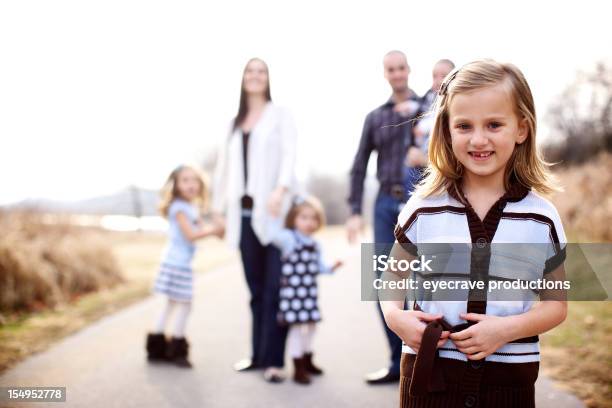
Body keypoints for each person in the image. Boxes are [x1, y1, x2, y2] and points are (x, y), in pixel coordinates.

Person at [381, 59, 568, 407]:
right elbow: (392, 275)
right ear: (447, 131)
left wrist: (505, 330)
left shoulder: (541, 217)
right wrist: (396, 318)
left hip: (507, 385)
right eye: (464, 125)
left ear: (521, 129)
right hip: (427, 380)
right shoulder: (422, 207)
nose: (478, 139)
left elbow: (557, 307)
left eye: (494, 124)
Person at [212, 58, 298, 383]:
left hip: (274, 215)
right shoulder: (234, 123)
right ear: (243, 79)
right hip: (243, 217)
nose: (256, 76)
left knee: (275, 289)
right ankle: (257, 355)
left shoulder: (280, 116)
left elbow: (290, 155)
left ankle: (275, 361)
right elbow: (223, 171)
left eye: (261, 71)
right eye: (250, 71)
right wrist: (217, 210)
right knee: (255, 290)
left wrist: (281, 189)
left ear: (268, 78)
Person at [347, 50, 420, 384]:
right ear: (385, 74)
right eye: (391, 69)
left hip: (418, 202)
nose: (397, 74)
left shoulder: (429, 108)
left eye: (401, 67)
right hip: (383, 204)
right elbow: (359, 164)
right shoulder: (375, 117)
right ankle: (397, 362)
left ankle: (423, 359)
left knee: (425, 282)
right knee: (384, 282)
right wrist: (352, 211)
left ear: (408, 69)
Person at [146, 164, 224, 368]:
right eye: (185, 180)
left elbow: (199, 229)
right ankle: (176, 350)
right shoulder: (179, 207)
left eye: (194, 180)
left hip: (177, 263)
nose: (191, 184)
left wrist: (216, 229)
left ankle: (156, 347)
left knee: (171, 304)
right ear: (176, 185)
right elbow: (191, 235)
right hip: (177, 265)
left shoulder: (191, 207)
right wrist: (213, 231)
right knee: (184, 306)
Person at [271, 197, 343, 385]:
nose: (309, 222)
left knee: (311, 327)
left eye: (313, 218)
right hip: (292, 296)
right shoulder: (288, 238)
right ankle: (298, 368)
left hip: (309, 294)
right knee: (296, 330)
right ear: (294, 218)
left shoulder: (315, 244)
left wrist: (331, 267)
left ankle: (307, 358)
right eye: (304, 217)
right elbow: (272, 234)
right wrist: (274, 213)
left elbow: (319, 267)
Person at [403, 59, 455, 196]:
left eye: (443, 76)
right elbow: (416, 117)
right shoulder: (427, 98)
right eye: (434, 76)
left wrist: (427, 161)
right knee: (409, 175)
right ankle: (408, 200)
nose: (438, 81)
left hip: (438, 162)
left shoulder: (455, 103)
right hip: (420, 154)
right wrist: (411, 147)